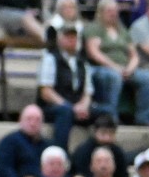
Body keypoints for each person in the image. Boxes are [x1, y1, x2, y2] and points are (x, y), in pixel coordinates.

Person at [84, 0, 149, 126]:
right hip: (101, 68)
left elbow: (134, 55)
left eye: (116, 11)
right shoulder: (94, 28)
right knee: (114, 77)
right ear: (100, 12)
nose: (113, 14)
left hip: (124, 68)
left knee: (148, 78)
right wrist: (115, 67)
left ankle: (142, 118)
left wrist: (130, 68)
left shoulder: (122, 31)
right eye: (109, 11)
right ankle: (112, 118)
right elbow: (94, 53)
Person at [37, 22, 106, 150]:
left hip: (77, 107)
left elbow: (87, 92)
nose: (71, 40)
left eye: (74, 37)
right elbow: (46, 92)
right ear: (59, 39)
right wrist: (69, 106)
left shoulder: (82, 62)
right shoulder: (50, 58)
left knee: (104, 113)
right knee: (65, 112)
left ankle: (100, 151)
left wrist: (83, 106)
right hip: (53, 107)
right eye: (67, 36)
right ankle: (59, 151)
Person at [0, 105, 48, 177]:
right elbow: (5, 169)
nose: (33, 123)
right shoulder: (9, 142)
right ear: (20, 120)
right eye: (29, 119)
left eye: (37, 120)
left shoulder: (46, 145)